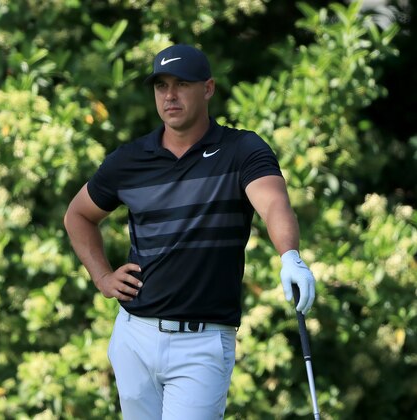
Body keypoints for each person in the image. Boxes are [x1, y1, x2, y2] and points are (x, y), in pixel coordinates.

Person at [63, 44, 316, 419]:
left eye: (181, 84)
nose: (170, 95)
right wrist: (102, 276)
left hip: (203, 343)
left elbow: (273, 203)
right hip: (135, 336)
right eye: (161, 86)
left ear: (208, 88)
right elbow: (78, 216)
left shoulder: (241, 150)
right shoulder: (130, 160)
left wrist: (289, 255)